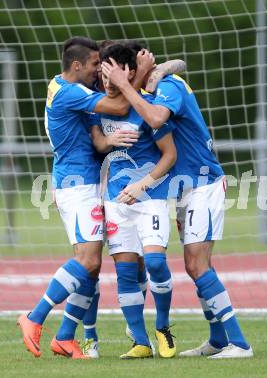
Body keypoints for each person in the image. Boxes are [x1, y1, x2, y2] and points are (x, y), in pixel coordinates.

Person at [102, 53, 253, 359]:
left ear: (131, 70)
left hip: (203, 183)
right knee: (195, 265)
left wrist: (131, 81)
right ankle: (218, 340)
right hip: (185, 189)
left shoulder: (169, 84)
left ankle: (239, 343)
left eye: (118, 72)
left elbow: (156, 118)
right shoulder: (153, 87)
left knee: (198, 265)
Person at [16, 36, 148, 359]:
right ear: (76, 65)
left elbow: (99, 142)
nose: (96, 70)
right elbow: (119, 105)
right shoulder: (71, 94)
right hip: (79, 187)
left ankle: (65, 336)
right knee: (88, 260)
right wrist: (137, 75)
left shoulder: (63, 87)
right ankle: (34, 317)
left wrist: (113, 138)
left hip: (82, 184)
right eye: (93, 64)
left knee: (90, 268)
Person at [80, 40, 186, 358]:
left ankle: (163, 327)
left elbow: (169, 155)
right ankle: (140, 342)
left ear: (126, 71)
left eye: (109, 69)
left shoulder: (147, 106)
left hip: (149, 196)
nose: (103, 75)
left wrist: (140, 186)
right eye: (101, 69)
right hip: (115, 202)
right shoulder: (96, 107)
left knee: (154, 262)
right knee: (126, 273)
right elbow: (96, 146)